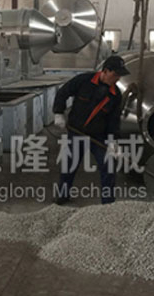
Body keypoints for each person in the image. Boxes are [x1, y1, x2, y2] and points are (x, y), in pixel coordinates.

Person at [52, 55, 129, 205]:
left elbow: (114, 120)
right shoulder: (84, 81)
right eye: (115, 74)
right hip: (77, 132)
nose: (118, 78)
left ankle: (108, 203)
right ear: (105, 71)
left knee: (108, 166)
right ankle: (63, 196)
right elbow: (63, 92)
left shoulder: (115, 95)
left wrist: (113, 141)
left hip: (99, 137)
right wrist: (58, 113)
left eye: (120, 75)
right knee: (69, 165)